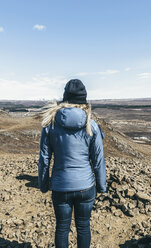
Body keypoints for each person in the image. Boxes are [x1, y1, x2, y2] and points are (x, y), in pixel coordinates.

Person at [38, 79, 107, 248]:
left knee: (62, 228)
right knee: (83, 227)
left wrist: (43, 184)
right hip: (85, 187)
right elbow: (98, 160)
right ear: (83, 100)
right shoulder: (92, 125)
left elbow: (44, 159)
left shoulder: (50, 125)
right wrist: (101, 185)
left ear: (65, 98)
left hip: (60, 187)